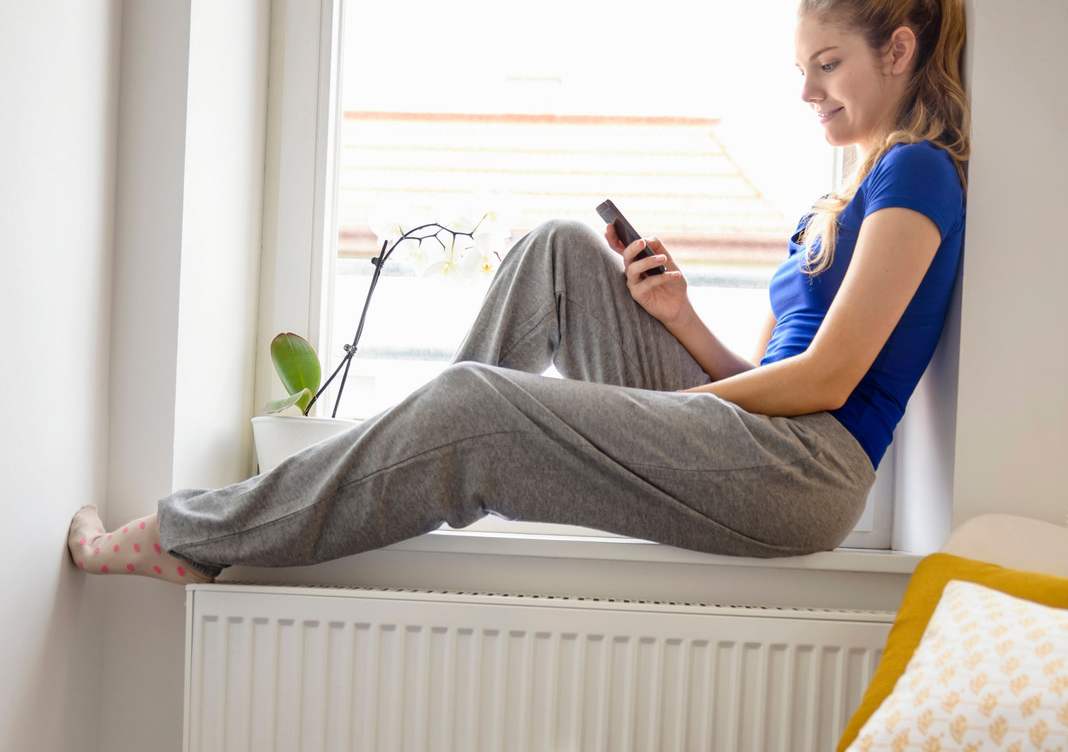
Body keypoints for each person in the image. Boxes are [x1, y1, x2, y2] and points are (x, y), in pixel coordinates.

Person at [68, 0, 970, 585]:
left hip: (806, 472)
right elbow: (770, 369)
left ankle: (187, 535)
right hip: (756, 436)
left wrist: (694, 403)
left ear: (896, 50)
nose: (806, 91)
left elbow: (828, 380)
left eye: (826, 65)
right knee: (561, 250)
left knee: (479, 408)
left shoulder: (919, 173)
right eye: (801, 70)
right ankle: (407, 465)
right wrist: (680, 318)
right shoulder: (836, 195)